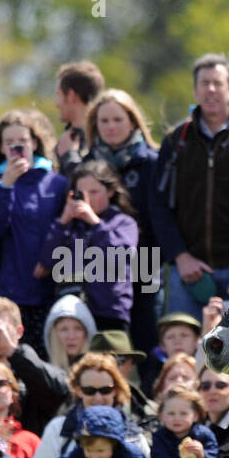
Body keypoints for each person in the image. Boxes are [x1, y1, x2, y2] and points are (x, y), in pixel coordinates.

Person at [149, 53, 229, 318]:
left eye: (218, 83)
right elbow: (158, 205)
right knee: (183, 355)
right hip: (187, 274)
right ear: (195, 91)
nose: (211, 90)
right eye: (204, 83)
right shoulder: (177, 140)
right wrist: (180, 256)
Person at [0, 110, 69, 351]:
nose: (17, 147)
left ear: (34, 143)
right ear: (0, 148)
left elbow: (67, 228)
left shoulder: (56, 183)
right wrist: (5, 185)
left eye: (23, 141)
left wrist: (51, 259)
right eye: (10, 143)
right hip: (11, 290)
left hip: (50, 287)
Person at [83, 88, 161, 355]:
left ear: (132, 121)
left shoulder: (152, 161)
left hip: (145, 260)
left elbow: (160, 215)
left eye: (117, 119)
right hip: (98, 264)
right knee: (103, 342)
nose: (111, 126)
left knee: (145, 336)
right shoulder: (87, 164)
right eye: (104, 121)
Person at [41, 160, 140, 333]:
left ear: (110, 191)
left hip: (109, 313)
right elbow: (45, 262)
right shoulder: (68, 226)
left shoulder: (123, 223)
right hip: (72, 313)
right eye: (82, 193)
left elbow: (118, 255)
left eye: (94, 192)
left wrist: (95, 222)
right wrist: (63, 222)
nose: (88, 199)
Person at [53, 61, 104, 173]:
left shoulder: (103, 139)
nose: (57, 104)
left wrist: (69, 157)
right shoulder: (68, 138)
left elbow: (92, 185)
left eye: (59, 95)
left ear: (71, 96)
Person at [41, 293, 97, 374]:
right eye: (64, 329)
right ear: (53, 334)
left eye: (78, 329)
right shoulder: (44, 377)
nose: (71, 336)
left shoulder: (99, 377)